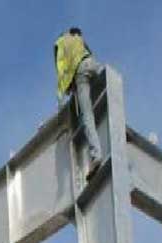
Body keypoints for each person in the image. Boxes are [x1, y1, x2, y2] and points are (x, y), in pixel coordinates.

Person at [53, 28, 104, 180]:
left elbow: (61, 69)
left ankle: (96, 155)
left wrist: (63, 94)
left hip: (80, 75)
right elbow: (88, 50)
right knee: (110, 86)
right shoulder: (77, 37)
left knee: (87, 116)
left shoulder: (60, 44)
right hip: (91, 63)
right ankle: (121, 127)